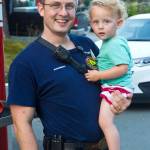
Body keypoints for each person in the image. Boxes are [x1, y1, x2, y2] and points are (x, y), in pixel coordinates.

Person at [7, 0, 132, 150]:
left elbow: (111, 84)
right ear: (41, 8)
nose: (64, 12)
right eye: (55, 5)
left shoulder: (88, 45)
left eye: (70, 6)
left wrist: (121, 102)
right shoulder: (25, 63)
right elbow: (22, 125)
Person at [85, 0, 133, 150]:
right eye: (95, 22)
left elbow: (122, 68)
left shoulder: (114, 44)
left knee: (105, 123)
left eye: (106, 21)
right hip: (114, 87)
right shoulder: (108, 42)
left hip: (116, 88)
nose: (100, 26)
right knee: (105, 123)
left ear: (118, 23)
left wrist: (98, 75)